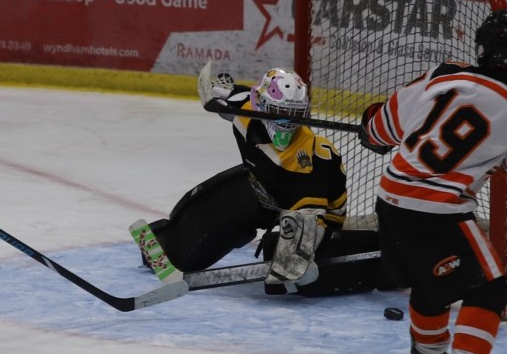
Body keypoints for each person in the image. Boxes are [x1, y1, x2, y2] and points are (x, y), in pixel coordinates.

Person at [358, 9, 507, 354]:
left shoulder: (442, 75)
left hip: (390, 200)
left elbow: (379, 128)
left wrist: (370, 131)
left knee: (433, 283)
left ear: (481, 48)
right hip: (438, 210)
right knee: (489, 286)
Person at [140, 67, 385, 296]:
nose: (286, 124)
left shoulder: (311, 161)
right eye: (279, 114)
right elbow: (224, 95)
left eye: (295, 115)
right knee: (220, 205)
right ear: (260, 105)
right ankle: (166, 246)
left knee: (294, 242)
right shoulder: (245, 114)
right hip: (267, 192)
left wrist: (294, 258)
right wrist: (215, 89)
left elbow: (315, 220)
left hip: (315, 218)